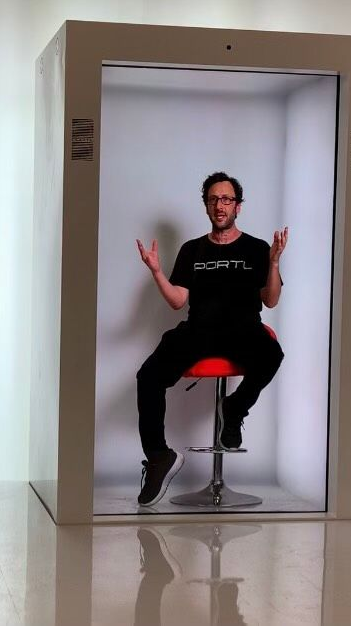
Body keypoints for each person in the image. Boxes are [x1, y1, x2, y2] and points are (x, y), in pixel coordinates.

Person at [134, 171, 288, 506]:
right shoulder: (192, 250)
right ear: (206, 205)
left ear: (238, 206)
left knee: (272, 354)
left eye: (227, 199)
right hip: (199, 331)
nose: (220, 206)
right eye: (214, 199)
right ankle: (159, 456)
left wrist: (274, 263)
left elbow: (271, 300)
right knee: (148, 376)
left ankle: (233, 409)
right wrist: (157, 272)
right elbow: (178, 301)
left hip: (243, 330)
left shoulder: (257, 248)